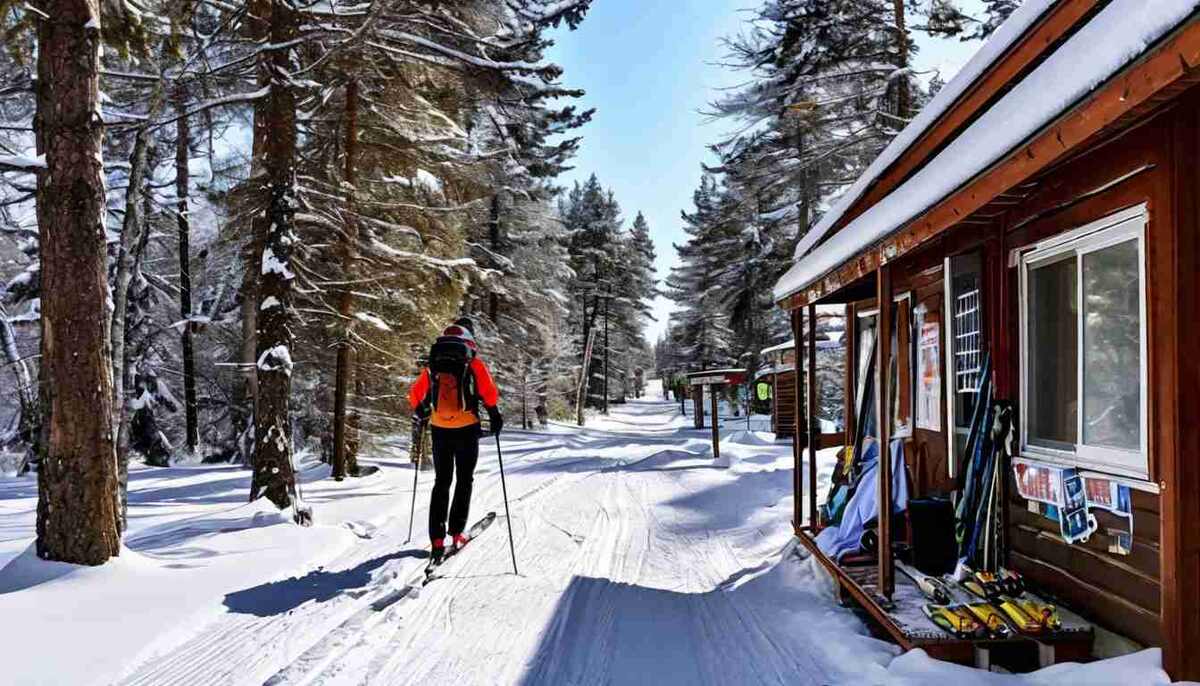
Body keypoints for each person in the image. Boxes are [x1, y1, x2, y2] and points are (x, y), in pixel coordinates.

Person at [408, 318, 503, 565]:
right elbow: (489, 393)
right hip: (466, 428)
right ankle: (457, 534)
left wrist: (422, 412)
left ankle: (437, 540)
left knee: (441, 482)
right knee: (464, 480)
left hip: (440, 428)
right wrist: (494, 416)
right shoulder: (472, 362)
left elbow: (415, 395)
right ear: (469, 339)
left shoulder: (434, 364)